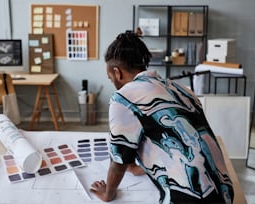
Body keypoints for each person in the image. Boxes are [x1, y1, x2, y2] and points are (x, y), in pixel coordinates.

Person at [90, 31, 234, 204]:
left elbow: (119, 158)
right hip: (224, 193)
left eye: (110, 78)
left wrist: (108, 193)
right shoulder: (181, 89)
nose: (113, 82)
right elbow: (186, 141)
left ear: (117, 72)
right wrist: (140, 166)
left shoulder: (123, 97)